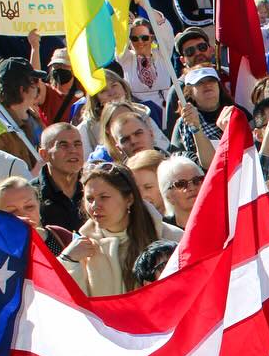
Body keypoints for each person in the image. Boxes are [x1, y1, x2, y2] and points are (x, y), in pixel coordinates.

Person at [59, 161, 182, 296]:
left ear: (129, 199)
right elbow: (72, 302)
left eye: (104, 197)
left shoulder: (172, 237)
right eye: (89, 199)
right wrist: (68, 262)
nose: (94, 206)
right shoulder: (81, 248)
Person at [0, 175, 70, 255]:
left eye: (29, 207)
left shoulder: (61, 236)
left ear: (38, 204)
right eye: (12, 211)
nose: (23, 215)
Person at [34, 122, 85, 233]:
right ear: (44, 154)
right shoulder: (31, 197)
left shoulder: (96, 187)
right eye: (63, 145)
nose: (73, 150)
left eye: (77, 144)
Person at [156, 155, 203, 228]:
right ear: (168, 196)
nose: (192, 188)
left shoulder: (221, 220)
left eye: (196, 180)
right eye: (181, 184)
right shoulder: (162, 230)